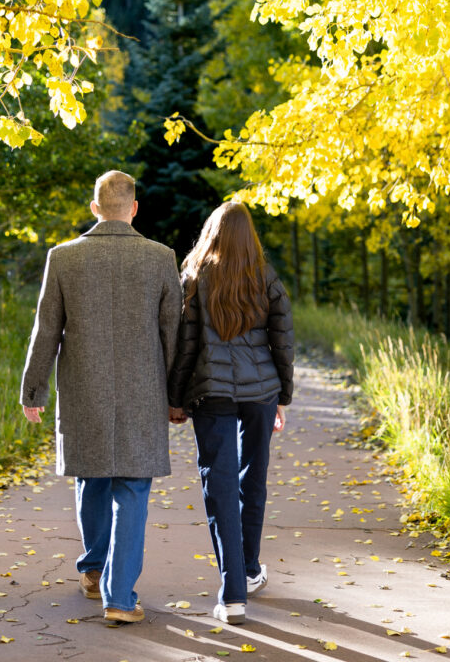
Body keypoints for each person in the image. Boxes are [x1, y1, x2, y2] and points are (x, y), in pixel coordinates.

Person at [20, 170, 182, 624]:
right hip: (143, 395)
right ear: (133, 209)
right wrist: (178, 397)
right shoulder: (160, 258)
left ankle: (92, 569)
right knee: (131, 486)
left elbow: (46, 329)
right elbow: (175, 335)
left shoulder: (63, 257)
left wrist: (33, 389)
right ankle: (119, 598)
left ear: (95, 208)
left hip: (83, 391)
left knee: (90, 476)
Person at [167, 201, 294, 626]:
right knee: (252, 478)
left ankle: (234, 591)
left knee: (218, 486)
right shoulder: (266, 277)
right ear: (249, 236)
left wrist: (176, 397)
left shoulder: (195, 276)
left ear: (213, 232)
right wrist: (283, 397)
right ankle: (251, 568)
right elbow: (283, 341)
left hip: (212, 392)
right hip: (261, 392)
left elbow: (185, 345)